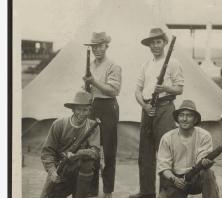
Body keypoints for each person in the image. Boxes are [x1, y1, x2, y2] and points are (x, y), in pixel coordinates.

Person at [130, 28, 184, 198]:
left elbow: (179, 88)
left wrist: (165, 88)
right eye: (152, 43)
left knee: (165, 152)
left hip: (165, 108)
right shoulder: (146, 65)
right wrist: (144, 106)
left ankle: (165, 192)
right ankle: (146, 191)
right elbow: (137, 91)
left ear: (165, 43)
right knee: (145, 153)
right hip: (147, 109)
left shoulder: (174, 63)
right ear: (149, 45)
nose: (155, 46)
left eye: (158, 42)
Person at [83, 32, 122, 198]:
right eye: (94, 46)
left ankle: (108, 192)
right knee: (91, 150)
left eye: (100, 45)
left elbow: (114, 90)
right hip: (92, 107)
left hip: (108, 108)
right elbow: (87, 88)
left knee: (109, 151)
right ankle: (92, 190)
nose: (97, 49)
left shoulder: (114, 66)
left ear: (106, 46)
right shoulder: (90, 65)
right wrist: (86, 84)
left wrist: (92, 82)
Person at [40, 91, 100, 198]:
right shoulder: (59, 124)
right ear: (73, 109)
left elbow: (95, 152)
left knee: (88, 163)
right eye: (79, 109)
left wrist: (78, 154)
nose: (82, 113)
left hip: (80, 173)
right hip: (61, 171)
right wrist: (52, 171)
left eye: (85, 109)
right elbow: (47, 152)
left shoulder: (93, 126)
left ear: (89, 110)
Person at [157, 100, 219, 198]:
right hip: (175, 180)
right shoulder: (167, 137)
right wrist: (175, 179)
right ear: (177, 118)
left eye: (189, 115)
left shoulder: (204, 136)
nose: (184, 119)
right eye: (181, 115)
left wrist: (204, 163)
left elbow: (202, 158)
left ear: (195, 119)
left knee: (208, 173)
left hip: (195, 179)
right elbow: (163, 167)